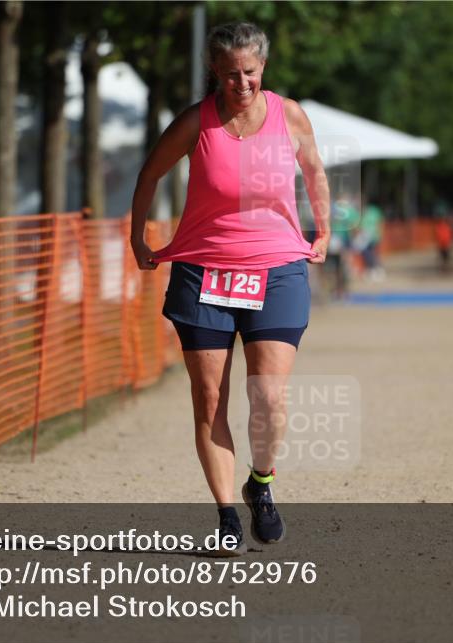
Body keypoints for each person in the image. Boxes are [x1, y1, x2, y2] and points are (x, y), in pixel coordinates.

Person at [129, 22, 330, 556]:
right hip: (204, 269)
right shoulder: (197, 122)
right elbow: (148, 174)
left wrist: (324, 229)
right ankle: (224, 513)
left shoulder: (288, 116)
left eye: (250, 72)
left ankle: (260, 483)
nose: (241, 83)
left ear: (263, 68)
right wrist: (138, 237)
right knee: (210, 397)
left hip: (277, 268)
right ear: (213, 73)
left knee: (268, 396)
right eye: (230, 74)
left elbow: (313, 169)